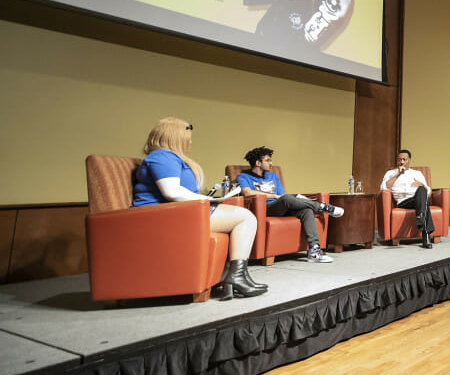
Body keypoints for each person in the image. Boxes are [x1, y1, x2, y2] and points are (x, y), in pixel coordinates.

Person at [131, 117, 266, 299]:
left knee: (244, 217)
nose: (190, 141)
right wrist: (206, 200)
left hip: (177, 212)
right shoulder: (162, 156)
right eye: (187, 136)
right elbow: (171, 192)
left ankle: (235, 276)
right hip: (160, 216)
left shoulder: (169, 157)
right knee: (245, 218)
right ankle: (236, 277)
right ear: (175, 136)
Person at [234, 146, 343, 263]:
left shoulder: (273, 176)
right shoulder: (243, 177)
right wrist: (274, 196)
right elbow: (247, 192)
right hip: (265, 209)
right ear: (257, 163)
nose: (271, 163)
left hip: (280, 206)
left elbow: (283, 196)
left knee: (306, 210)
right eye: (267, 160)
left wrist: (283, 198)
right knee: (287, 198)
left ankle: (314, 251)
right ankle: (321, 206)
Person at [381, 149, 434, 249]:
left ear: (409, 160)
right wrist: (398, 175)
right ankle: (426, 235)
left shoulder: (417, 174)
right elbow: (384, 187)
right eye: (400, 159)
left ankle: (421, 216)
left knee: (422, 190)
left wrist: (422, 184)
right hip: (403, 202)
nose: (402, 162)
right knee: (424, 203)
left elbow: (429, 192)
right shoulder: (390, 173)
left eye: (404, 159)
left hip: (417, 199)